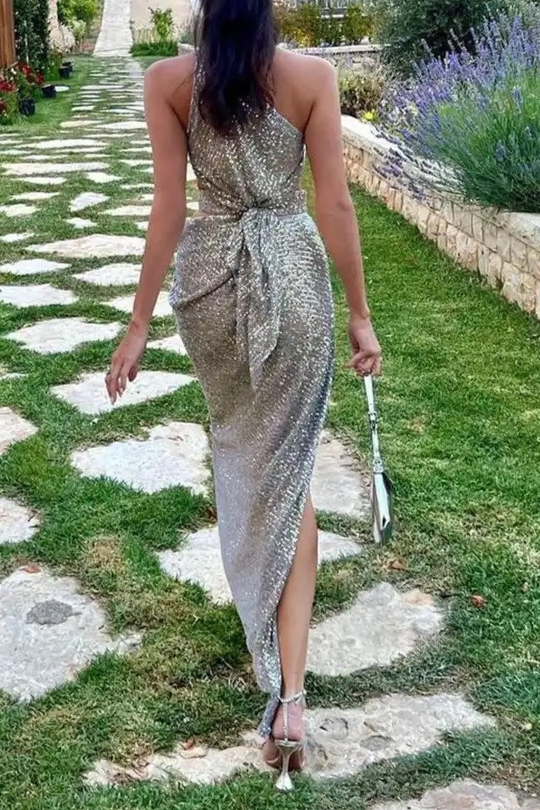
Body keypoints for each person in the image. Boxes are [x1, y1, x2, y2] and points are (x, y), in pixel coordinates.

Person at [105, 0, 381, 791]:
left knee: (247, 457)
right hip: (292, 281)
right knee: (290, 474)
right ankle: (290, 695)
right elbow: (334, 203)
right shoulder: (312, 77)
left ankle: (272, 647)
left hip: (211, 287)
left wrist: (137, 326)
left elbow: (168, 208)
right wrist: (360, 315)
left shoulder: (168, 82)